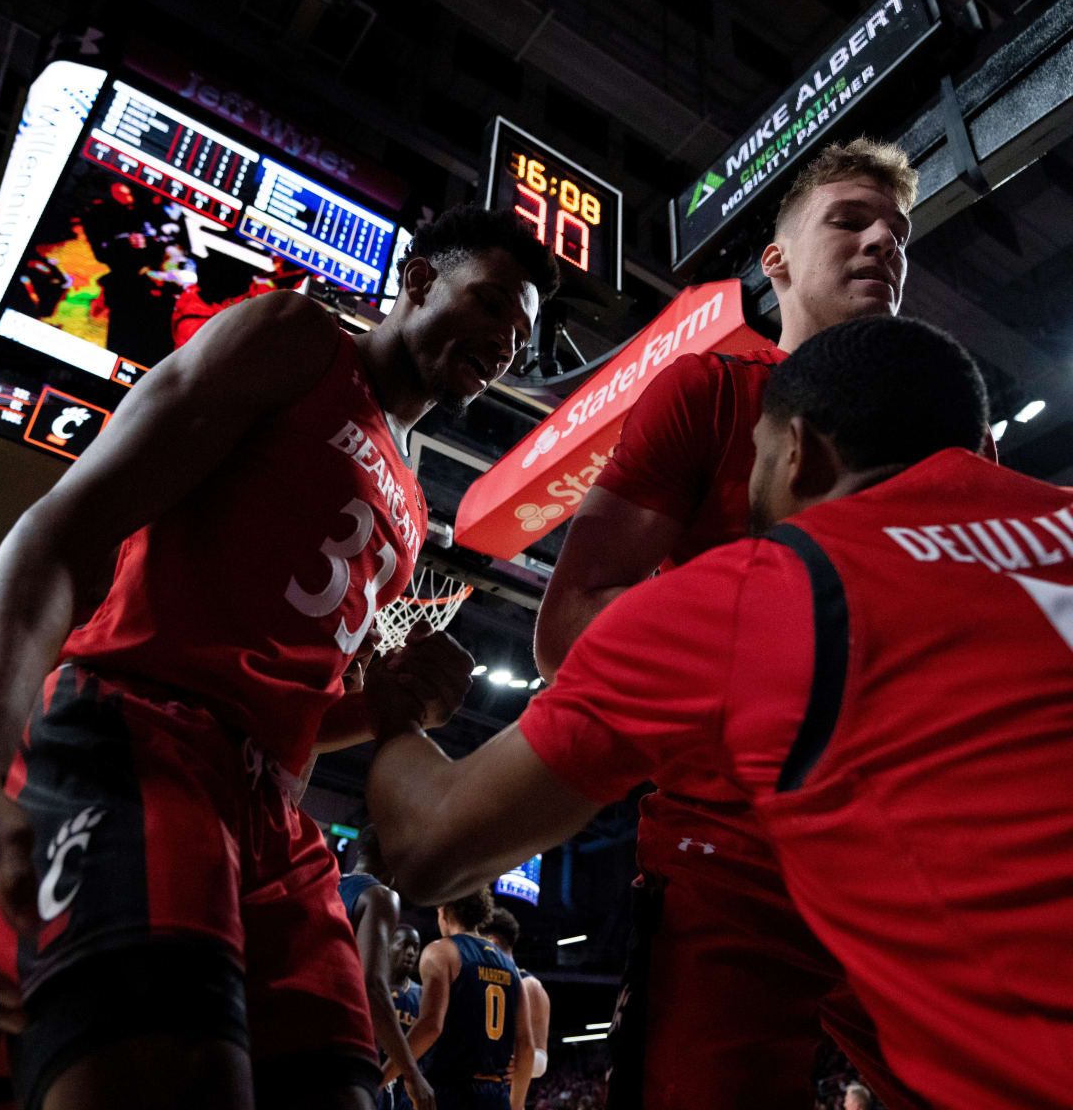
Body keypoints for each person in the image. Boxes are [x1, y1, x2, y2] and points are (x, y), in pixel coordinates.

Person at [0, 204, 559, 1110]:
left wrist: (384, 704)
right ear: (415, 280)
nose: (502, 340)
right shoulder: (295, 340)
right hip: (137, 739)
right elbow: (58, 532)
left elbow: (281, 711)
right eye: (486, 303)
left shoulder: (408, 503)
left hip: (269, 810)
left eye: (518, 334)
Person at [369, 315, 1073, 1110]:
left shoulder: (760, 591)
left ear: (800, 451)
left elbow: (431, 849)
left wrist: (398, 710)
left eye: (761, 458)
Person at [532, 137, 920, 1109]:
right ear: (776, 262)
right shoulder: (708, 393)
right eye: (850, 220)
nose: (883, 242)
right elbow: (568, 625)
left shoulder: (952, 441)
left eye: (899, 232)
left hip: (909, 852)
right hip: (730, 850)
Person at [386, 889, 532, 1110]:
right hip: (495, 1095)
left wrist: (382, 1076)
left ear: (445, 911)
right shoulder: (510, 967)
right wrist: (518, 1105)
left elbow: (430, 1026)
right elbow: (526, 1047)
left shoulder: (440, 951)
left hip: (448, 1091)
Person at [339, 826, 434, 1110]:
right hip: (338, 1046)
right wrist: (413, 1074)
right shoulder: (380, 895)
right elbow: (372, 987)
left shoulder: (323, 880)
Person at [482, 908, 548, 1081]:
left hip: (507, 1095)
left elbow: (541, 1062)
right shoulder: (480, 980)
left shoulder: (529, 985)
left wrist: (515, 1060)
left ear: (491, 941)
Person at [386, 927, 423, 1110]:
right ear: (387, 946)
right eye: (405, 945)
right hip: (370, 1079)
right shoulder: (365, 988)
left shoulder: (423, 997)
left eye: (415, 948)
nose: (411, 953)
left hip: (406, 1087)